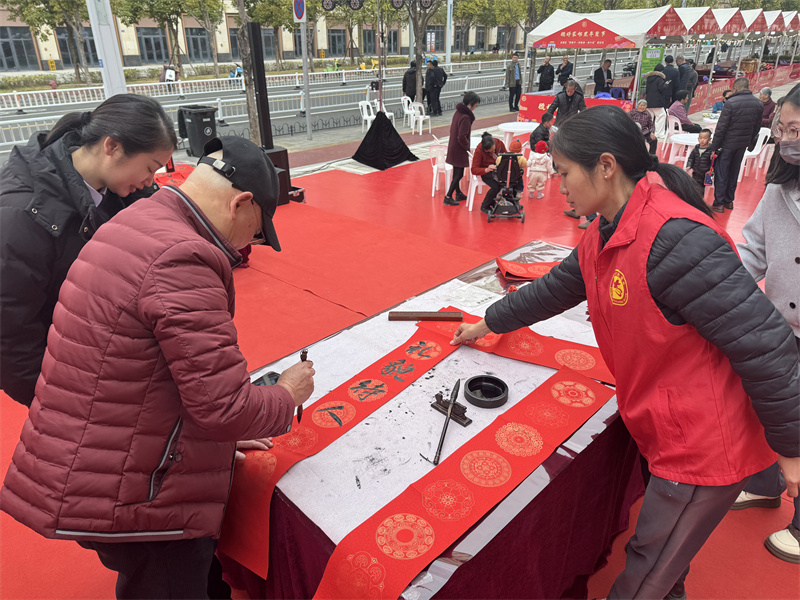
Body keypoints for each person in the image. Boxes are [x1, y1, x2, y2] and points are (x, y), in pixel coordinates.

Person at [451, 104, 800, 600]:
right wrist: (487, 322)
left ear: (606, 166)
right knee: (664, 562)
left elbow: (766, 346)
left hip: (699, 444)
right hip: (662, 417)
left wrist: (792, 450)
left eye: (566, 172)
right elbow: (557, 287)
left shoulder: (677, 241)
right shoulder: (608, 225)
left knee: (646, 567)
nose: (561, 186)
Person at [0, 136, 316, 599]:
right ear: (241, 203)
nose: (250, 245)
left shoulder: (144, 217)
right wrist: (285, 395)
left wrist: (219, 431)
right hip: (133, 487)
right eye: (257, 231)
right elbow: (225, 408)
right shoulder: (182, 257)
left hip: (103, 452)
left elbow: (158, 374)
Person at [0, 94, 176, 408]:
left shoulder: (127, 192)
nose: (151, 180)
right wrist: (58, 403)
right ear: (112, 147)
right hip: (61, 370)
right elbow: (10, 335)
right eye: (150, 167)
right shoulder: (23, 215)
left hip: (102, 351)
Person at [734, 88, 800, 565]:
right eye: (782, 129)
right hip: (783, 325)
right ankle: (763, 483)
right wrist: (710, 287)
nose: (786, 140)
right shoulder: (780, 190)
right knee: (767, 410)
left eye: (797, 132)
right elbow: (752, 250)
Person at [709, 77, 763, 212]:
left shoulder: (731, 103)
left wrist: (714, 147)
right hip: (742, 144)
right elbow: (757, 127)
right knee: (734, 171)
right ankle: (729, 201)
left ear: (735, 89)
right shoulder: (758, 103)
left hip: (727, 144)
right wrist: (748, 140)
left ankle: (719, 203)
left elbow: (721, 128)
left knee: (722, 173)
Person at [444, 91, 481, 206]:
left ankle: (458, 193)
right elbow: (462, 136)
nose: (476, 107)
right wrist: (467, 148)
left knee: (457, 171)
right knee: (459, 174)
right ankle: (448, 196)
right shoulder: (465, 117)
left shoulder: (458, 113)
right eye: (476, 105)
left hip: (453, 146)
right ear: (472, 104)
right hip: (459, 149)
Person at [471, 132, 507, 214]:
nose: (493, 152)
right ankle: (485, 206)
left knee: (509, 180)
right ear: (485, 150)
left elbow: (506, 154)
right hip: (486, 172)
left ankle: (509, 203)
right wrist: (486, 169)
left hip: (498, 170)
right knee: (496, 186)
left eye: (494, 150)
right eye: (490, 151)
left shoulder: (499, 143)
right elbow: (474, 169)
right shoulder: (479, 151)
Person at [645, 64, 670, 139]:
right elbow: (662, 89)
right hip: (657, 101)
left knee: (650, 118)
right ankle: (659, 133)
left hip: (649, 101)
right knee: (661, 116)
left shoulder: (649, 79)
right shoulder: (659, 79)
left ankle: (648, 132)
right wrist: (666, 84)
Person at [686, 128, 714, 193]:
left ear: (709, 139)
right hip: (695, 171)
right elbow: (691, 158)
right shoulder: (696, 149)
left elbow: (712, 161)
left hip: (705, 173)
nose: (702, 140)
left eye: (704, 138)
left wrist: (711, 170)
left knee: (701, 187)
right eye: (700, 138)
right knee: (694, 185)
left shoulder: (711, 150)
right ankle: (693, 198)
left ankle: (699, 200)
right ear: (698, 139)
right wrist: (689, 165)